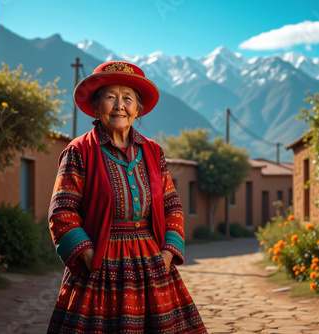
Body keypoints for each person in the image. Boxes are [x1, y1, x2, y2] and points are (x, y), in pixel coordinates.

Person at [47, 61, 207, 333]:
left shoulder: (154, 152)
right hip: (100, 264)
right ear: (96, 108)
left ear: (137, 109)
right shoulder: (80, 151)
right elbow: (62, 211)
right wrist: (89, 255)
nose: (119, 105)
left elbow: (172, 206)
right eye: (110, 97)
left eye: (127, 98)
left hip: (152, 262)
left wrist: (167, 254)